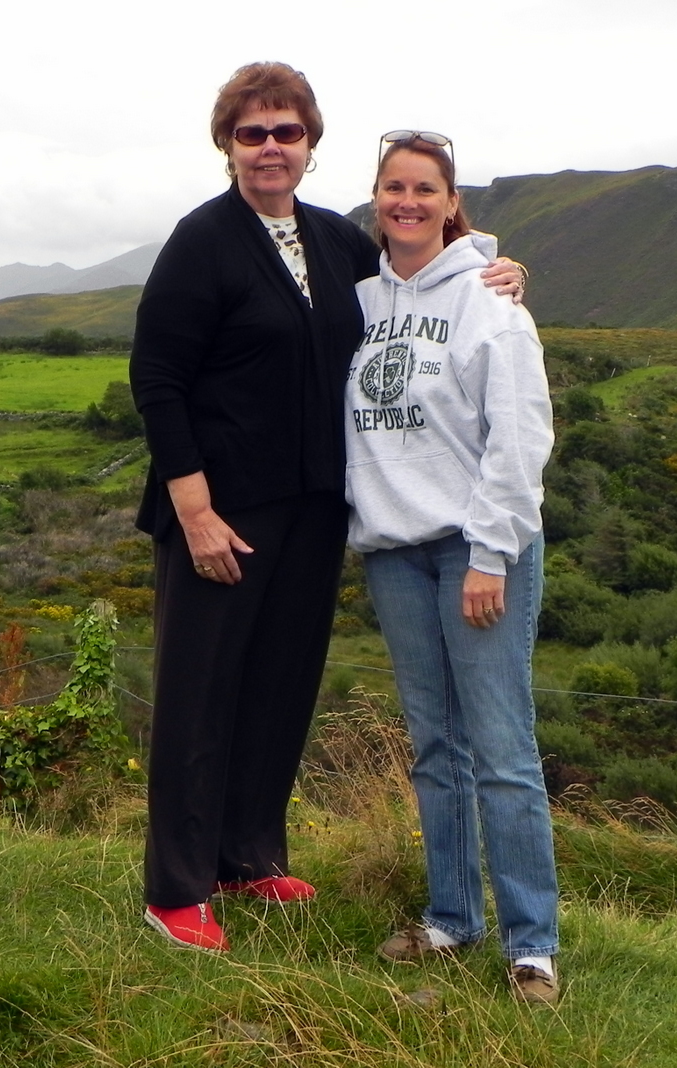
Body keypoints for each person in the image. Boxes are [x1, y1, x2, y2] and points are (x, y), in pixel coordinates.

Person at [130, 64, 524, 954]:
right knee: (199, 695)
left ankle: (247, 857)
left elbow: (421, 271)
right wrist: (193, 509)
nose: (271, 147)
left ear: (310, 144)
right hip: (222, 511)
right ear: (227, 144)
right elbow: (157, 378)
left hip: (315, 509)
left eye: (287, 132)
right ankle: (177, 889)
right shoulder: (202, 241)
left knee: (277, 687)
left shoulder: (334, 240)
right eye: (252, 133)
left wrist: (498, 269)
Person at [344, 131, 560, 1003]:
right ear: (376, 199)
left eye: (424, 188)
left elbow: (520, 436)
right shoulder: (361, 303)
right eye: (393, 187)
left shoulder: (489, 300)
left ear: (450, 202)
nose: (407, 202)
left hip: (476, 551)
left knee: (502, 749)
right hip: (395, 552)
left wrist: (491, 554)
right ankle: (450, 918)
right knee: (436, 748)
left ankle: (531, 945)